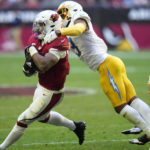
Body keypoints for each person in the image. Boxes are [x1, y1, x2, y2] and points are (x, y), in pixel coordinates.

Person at [44, 1, 150, 145]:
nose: (61, 17)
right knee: (133, 100)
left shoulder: (79, 17)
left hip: (107, 65)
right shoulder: (67, 29)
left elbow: (79, 28)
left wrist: (59, 32)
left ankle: (148, 132)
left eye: (63, 13)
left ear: (71, 10)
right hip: (111, 64)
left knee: (121, 107)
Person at [0, 10, 86, 150]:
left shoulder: (60, 41)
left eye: (41, 25)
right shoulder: (36, 38)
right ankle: (76, 126)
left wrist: (33, 52)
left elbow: (44, 65)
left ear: (51, 25)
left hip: (53, 92)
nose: (38, 28)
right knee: (42, 117)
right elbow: (33, 62)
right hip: (41, 85)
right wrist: (29, 67)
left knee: (24, 119)